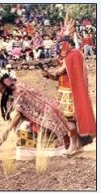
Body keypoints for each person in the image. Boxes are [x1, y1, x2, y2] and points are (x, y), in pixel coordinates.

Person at [42, 18, 96, 155]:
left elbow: (60, 71)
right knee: (71, 120)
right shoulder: (73, 56)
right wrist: (48, 75)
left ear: (66, 44)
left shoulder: (73, 56)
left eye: (60, 44)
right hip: (65, 91)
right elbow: (59, 76)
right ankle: (77, 145)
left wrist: (50, 72)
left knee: (70, 120)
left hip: (69, 94)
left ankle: (74, 145)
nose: (59, 48)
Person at [0, 72, 70, 159]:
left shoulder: (18, 91)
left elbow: (17, 115)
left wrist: (6, 132)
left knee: (23, 127)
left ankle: (34, 154)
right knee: (20, 123)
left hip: (48, 121)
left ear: (4, 84)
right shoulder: (13, 91)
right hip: (43, 119)